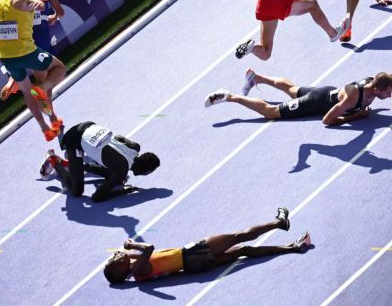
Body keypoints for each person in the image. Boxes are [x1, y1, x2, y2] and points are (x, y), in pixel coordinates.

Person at [103, 207, 311, 284]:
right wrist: (131, 244)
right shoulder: (137, 269)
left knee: (244, 252)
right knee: (239, 236)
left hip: (192, 266)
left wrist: (123, 254)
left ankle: (292, 247)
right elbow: (148, 249)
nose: (114, 257)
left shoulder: (134, 271)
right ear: (120, 271)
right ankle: (279, 222)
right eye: (113, 262)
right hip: (193, 254)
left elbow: (123, 256)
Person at [0, 0, 66, 141]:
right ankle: (43, 91)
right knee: (59, 70)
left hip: (5, 55)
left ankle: (45, 129)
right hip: (26, 51)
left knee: (27, 91)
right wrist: (37, 3)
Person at [205, 70, 392, 125]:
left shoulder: (377, 81)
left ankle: (256, 77)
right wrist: (355, 117)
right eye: (388, 93)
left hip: (325, 92)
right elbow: (327, 120)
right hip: (316, 103)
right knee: (271, 113)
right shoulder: (352, 98)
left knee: (292, 89)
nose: (390, 93)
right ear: (376, 90)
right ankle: (230, 96)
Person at [0, 0, 65, 105]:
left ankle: (13, 79)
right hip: (40, 40)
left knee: (43, 83)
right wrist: (54, 17)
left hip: (21, 41)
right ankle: (53, 122)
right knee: (46, 85)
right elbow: (60, 12)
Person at [42, 121, 160, 202]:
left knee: (115, 175)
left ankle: (75, 165)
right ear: (145, 171)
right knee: (77, 191)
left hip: (88, 125)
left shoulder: (135, 147)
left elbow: (117, 139)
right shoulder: (121, 172)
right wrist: (121, 191)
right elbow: (96, 197)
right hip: (74, 140)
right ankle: (54, 160)